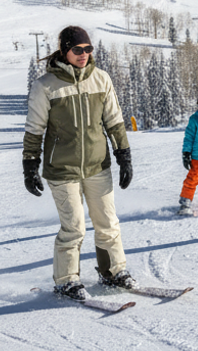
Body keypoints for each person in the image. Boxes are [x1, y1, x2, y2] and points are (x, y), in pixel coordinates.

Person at [22, 25, 136, 300]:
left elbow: (114, 121)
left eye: (88, 49)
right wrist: (30, 165)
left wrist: (124, 155)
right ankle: (66, 280)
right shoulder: (45, 86)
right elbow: (35, 129)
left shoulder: (101, 79)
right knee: (74, 227)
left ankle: (113, 271)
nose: (84, 54)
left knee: (108, 222)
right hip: (62, 169)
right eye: (77, 49)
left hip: (98, 165)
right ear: (64, 51)